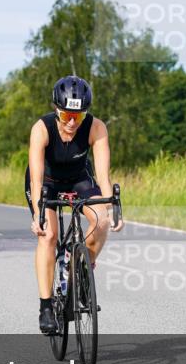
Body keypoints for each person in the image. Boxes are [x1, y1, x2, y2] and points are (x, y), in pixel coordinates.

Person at [25, 75, 123, 334]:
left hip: (79, 178)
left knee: (100, 221)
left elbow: (102, 177)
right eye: (66, 115)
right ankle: (46, 307)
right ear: (57, 110)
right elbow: (35, 178)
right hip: (46, 182)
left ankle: (80, 269)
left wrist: (111, 211)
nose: (71, 122)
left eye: (78, 117)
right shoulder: (41, 128)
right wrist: (38, 214)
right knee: (49, 235)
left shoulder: (96, 127)